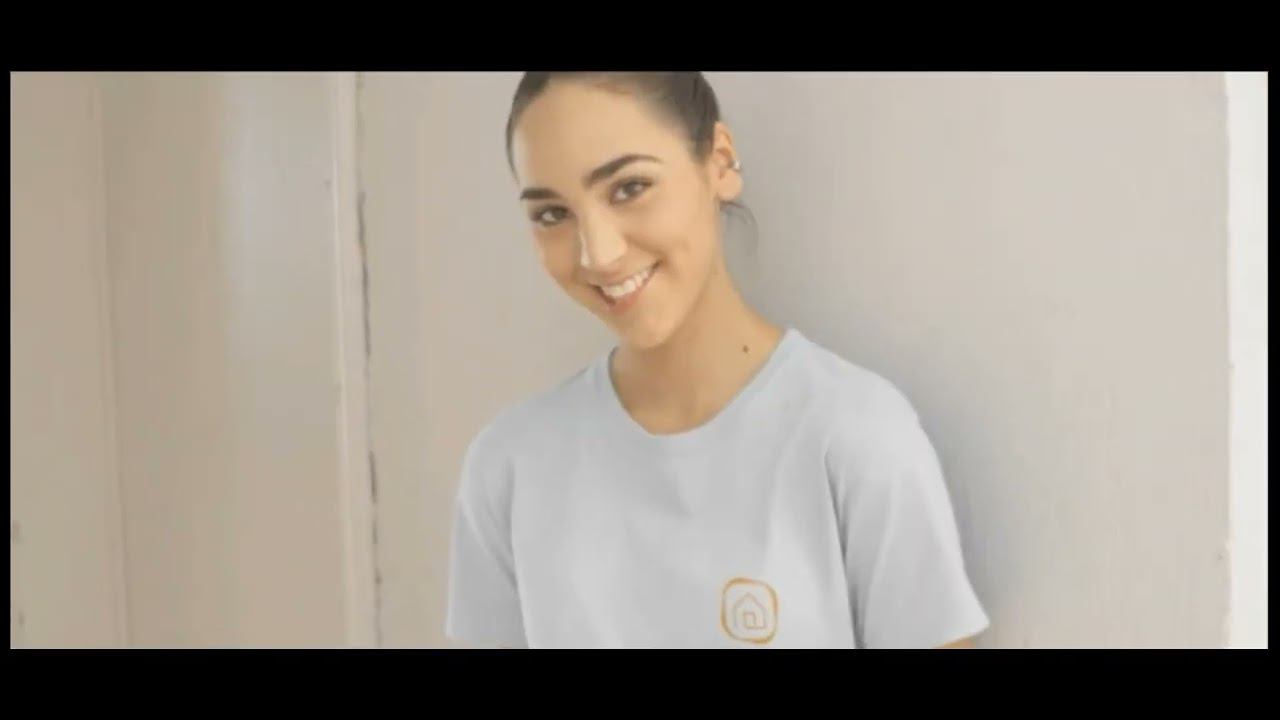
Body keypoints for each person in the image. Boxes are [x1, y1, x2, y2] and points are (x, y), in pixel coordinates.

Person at [445, 72, 989, 648]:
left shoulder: (855, 435)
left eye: (629, 188)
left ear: (720, 163)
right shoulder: (510, 467)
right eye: (552, 214)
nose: (598, 254)